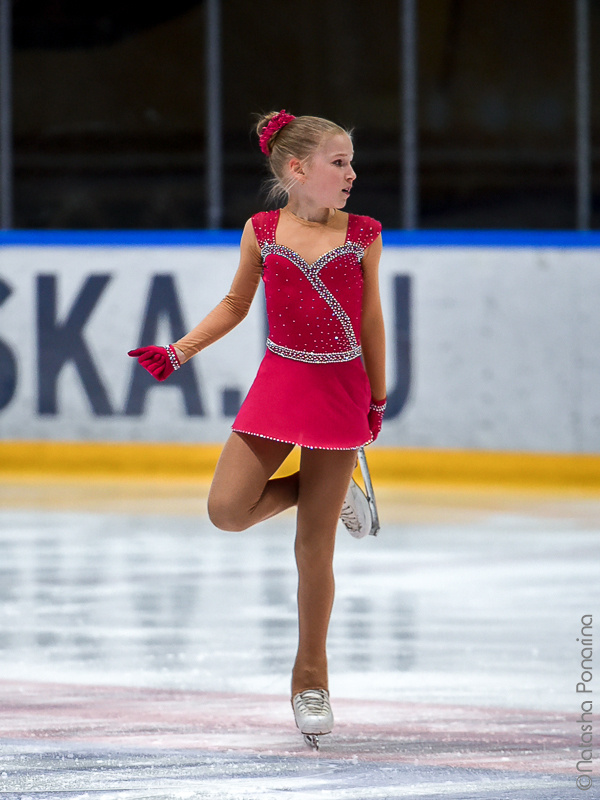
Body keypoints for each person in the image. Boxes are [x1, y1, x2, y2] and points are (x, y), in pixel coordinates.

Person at [128, 110, 386, 748]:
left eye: (351, 161)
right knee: (227, 509)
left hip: (339, 390)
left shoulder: (364, 234)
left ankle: (310, 680)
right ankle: (330, 490)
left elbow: (374, 319)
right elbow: (237, 304)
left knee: (312, 549)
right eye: (339, 162)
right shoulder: (263, 231)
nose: (352, 173)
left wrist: (377, 400)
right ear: (298, 169)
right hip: (280, 381)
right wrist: (181, 350)